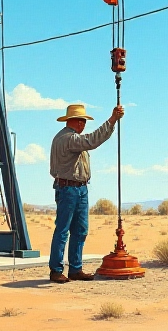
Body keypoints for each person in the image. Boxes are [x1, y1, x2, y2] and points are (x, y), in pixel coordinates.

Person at [48, 103, 124, 283]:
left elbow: (90, 142)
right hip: (69, 188)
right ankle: (56, 270)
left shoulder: (70, 138)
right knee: (64, 230)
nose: (84, 124)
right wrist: (112, 120)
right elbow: (92, 141)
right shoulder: (68, 138)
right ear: (75, 121)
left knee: (80, 230)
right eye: (82, 121)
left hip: (79, 187)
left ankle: (75, 269)